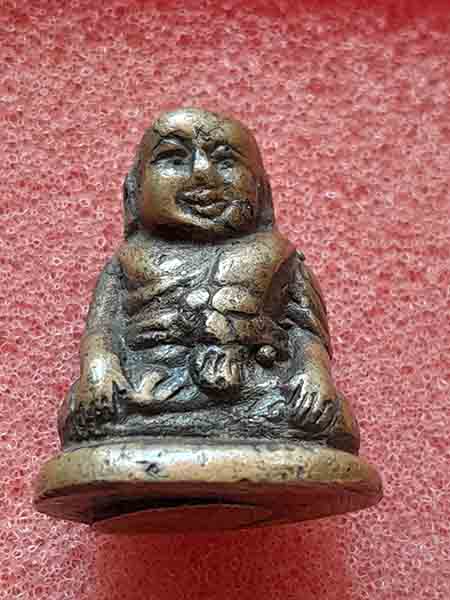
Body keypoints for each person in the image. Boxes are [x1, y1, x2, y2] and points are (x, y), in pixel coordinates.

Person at [59, 107, 359, 454]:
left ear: (261, 189)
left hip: (256, 384)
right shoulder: (127, 261)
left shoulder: (280, 257)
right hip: (151, 382)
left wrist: (313, 375)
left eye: (226, 161)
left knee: (325, 417)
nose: (202, 173)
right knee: (87, 413)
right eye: (174, 159)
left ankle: (200, 431)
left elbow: (306, 333)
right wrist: (100, 370)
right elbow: (101, 332)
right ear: (134, 189)